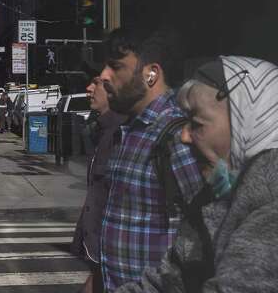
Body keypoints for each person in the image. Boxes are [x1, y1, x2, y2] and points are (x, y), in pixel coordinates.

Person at [115, 56, 278, 292]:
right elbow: (169, 281)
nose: (184, 136)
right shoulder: (212, 198)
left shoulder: (272, 203)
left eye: (197, 123)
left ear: (249, 123)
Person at [99, 27, 204, 292]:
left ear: (151, 73)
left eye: (115, 67)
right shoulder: (132, 129)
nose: (103, 77)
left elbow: (210, 231)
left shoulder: (178, 137)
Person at [72, 76, 127, 293]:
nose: (88, 88)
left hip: (116, 261)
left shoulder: (122, 135)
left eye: (97, 82)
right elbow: (97, 194)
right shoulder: (103, 132)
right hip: (101, 259)